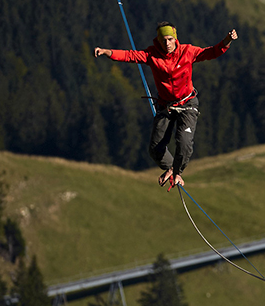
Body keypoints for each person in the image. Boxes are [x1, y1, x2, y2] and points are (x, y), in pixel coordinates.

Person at [94, 22, 238, 190]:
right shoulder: (152, 54)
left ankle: (177, 173)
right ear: (158, 40)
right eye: (163, 40)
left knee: (184, 142)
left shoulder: (187, 51)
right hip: (166, 106)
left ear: (175, 39)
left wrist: (227, 40)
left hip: (187, 103)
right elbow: (129, 56)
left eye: (170, 39)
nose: (167, 43)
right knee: (155, 149)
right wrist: (106, 52)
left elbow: (212, 52)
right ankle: (171, 168)